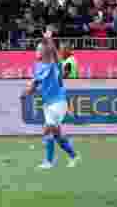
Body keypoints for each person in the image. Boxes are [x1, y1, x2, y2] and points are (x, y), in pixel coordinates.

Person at [25, 31, 78, 169]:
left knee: (48, 130)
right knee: (56, 135)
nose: (36, 51)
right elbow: (34, 84)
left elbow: (54, 54)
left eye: (38, 49)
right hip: (48, 104)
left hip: (58, 102)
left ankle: (49, 162)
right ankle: (74, 156)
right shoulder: (37, 67)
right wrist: (27, 92)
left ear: (45, 52)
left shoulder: (55, 65)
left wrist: (50, 40)